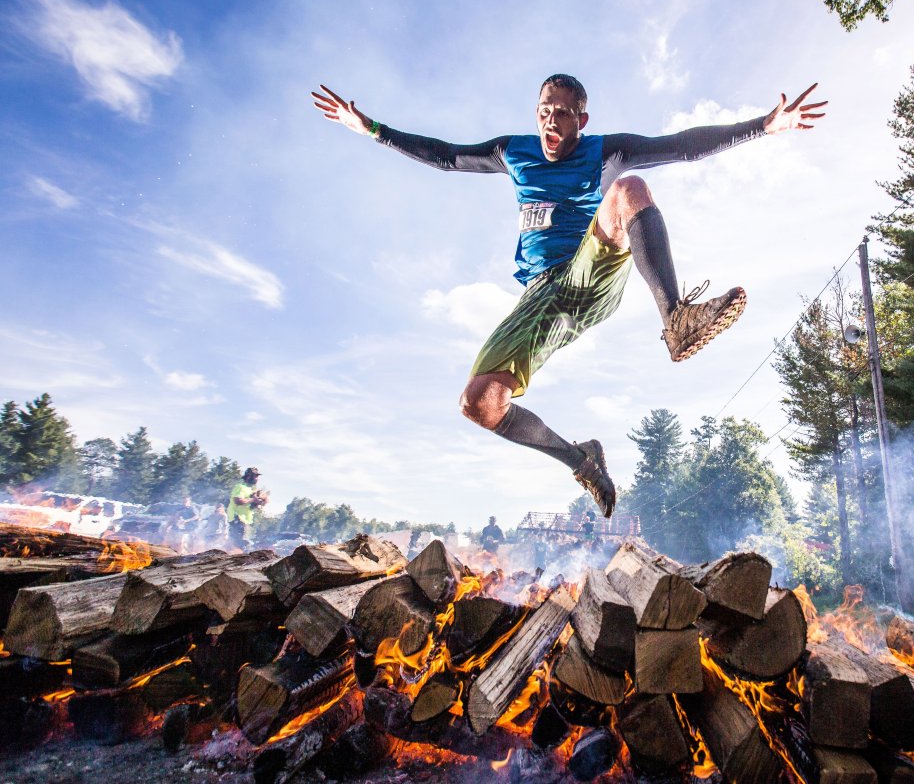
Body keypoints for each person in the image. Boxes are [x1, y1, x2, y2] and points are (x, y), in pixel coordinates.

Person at [312, 75, 825, 519]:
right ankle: (581, 460)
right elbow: (446, 157)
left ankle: (676, 319)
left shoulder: (604, 150)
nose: (551, 123)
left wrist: (763, 125)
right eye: (543, 113)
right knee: (478, 402)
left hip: (589, 269)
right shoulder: (513, 151)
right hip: (541, 296)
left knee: (628, 190)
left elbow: (682, 144)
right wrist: (372, 129)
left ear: (582, 118)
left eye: (561, 114)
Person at [226, 467, 268, 551]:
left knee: (241, 542)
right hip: (237, 518)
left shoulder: (252, 489)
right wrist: (253, 499)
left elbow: (265, 501)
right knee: (239, 543)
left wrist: (261, 499)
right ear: (249, 477)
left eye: (257, 476)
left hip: (244, 520)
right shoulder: (240, 487)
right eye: (255, 476)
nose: (257, 479)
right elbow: (237, 500)